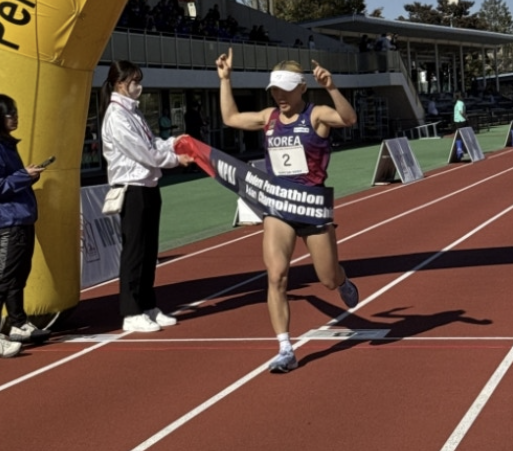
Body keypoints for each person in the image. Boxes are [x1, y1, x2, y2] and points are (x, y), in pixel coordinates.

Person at [215, 48, 359, 374]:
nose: (279, 96)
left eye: (285, 90)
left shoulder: (318, 115)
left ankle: (343, 279)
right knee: (277, 276)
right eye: (274, 91)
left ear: (302, 88)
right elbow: (230, 119)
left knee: (327, 279)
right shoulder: (269, 118)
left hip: (311, 207)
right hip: (278, 207)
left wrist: (333, 87)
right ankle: (284, 348)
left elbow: (349, 119)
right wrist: (225, 80)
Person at [100, 60, 194, 333]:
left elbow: (152, 143)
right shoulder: (116, 116)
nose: (138, 86)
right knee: (135, 251)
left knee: (150, 249)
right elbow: (145, 154)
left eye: (139, 80)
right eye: (134, 81)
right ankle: (131, 311)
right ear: (120, 83)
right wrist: (177, 158)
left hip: (149, 186)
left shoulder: (134, 113)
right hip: (132, 188)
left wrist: (175, 142)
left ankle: (147, 304)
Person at [0, 94, 50, 358]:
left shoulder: (4, 146)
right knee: (2, 278)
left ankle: (18, 323)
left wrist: (23, 175)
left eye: (15, 112)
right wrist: (23, 176)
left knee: (18, 276)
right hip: (6, 223)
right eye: (9, 113)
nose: (15, 117)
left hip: (19, 219)